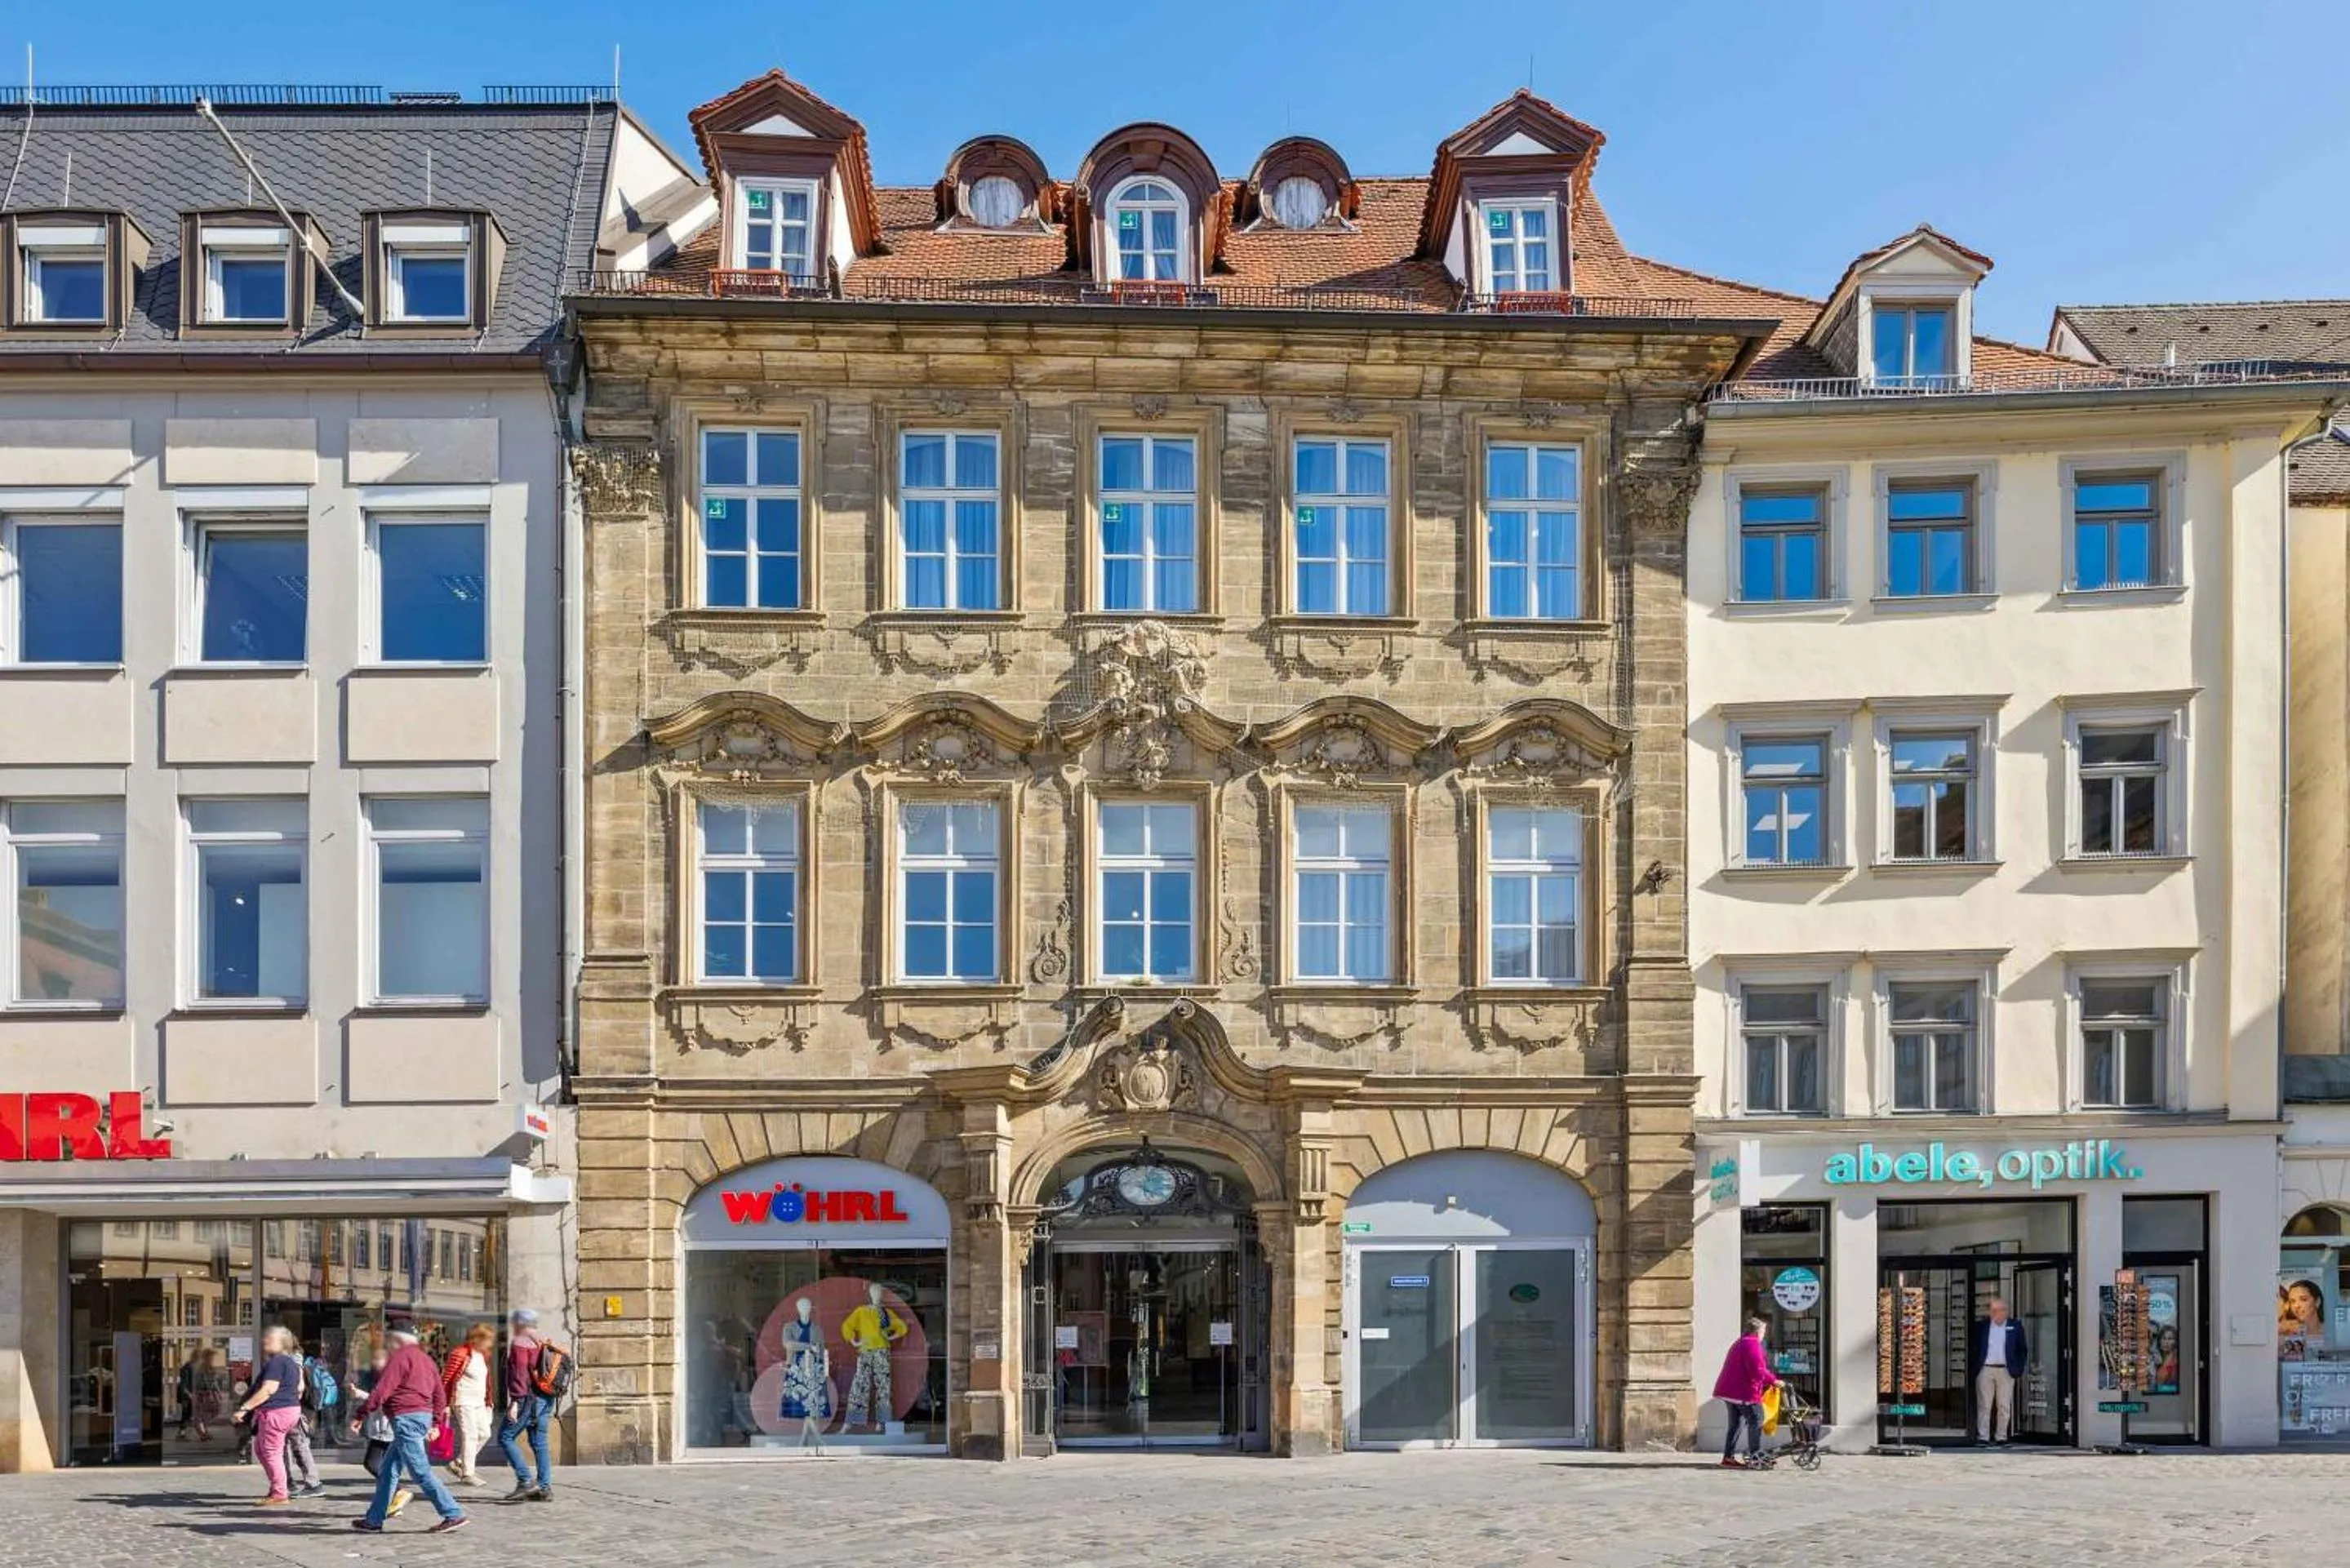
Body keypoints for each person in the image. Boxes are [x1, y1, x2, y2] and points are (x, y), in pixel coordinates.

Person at [348, 1328, 466, 1534]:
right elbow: (439, 1393)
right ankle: (374, 1520)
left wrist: (361, 1414)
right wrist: (436, 1422)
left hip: (406, 1419)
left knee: (420, 1470)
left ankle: (452, 1512)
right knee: (388, 1471)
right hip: (419, 1417)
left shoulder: (400, 1358)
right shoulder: (426, 1360)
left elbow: (382, 1390)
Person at [229, 1327, 309, 1505]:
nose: (265, 1341)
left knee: (271, 1452)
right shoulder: (290, 1363)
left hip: (276, 1412)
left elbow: (268, 1390)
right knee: (262, 1450)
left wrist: (244, 1409)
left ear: (283, 1343)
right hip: (288, 1411)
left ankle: (280, 1493)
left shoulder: (278, 1362)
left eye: (270, 1339)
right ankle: (278, 1488)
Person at [497, 1308, 555, 1503]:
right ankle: (544, 1488)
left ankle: (525, 1481)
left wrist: (515, 1401)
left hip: (526, 1398)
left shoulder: (520, 1343)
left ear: (520, 1324)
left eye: (514, 1323)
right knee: (540, 1443)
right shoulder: (543, 1340)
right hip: (545, 1398)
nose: (512, 1326)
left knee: (505, 1436)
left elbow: (520, 1374)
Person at [1712, 1316, 1779, 1468]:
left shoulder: (1740, 1342)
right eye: (1763, 1331)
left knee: (1736, 1424)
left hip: (1730, 1391)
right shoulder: (1752, 1345)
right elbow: (1757, 1370)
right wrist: (1774, 1380)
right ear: (1757, 1331)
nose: (1764, 1334)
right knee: (1757, 1419)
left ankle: (1728, 1457)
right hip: (1743, 1392)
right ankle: (1755, 1455)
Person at [441, 1324, 497, 1486]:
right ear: (478, 1339)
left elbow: (486, 1381)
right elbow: (446, 1379)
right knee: (470, 1435)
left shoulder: (483, 1355)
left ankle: (458, 1462)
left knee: (485, 1433)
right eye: (488, 1340)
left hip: (479, 1402)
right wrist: (444, 1403)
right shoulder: (460, 1353)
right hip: (463, 1401)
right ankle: (468, 1474)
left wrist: (488, 1401)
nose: (490, 1344)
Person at [1970, 1297, 2030, 1446]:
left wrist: (2018, 1368)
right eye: (1994, 1310)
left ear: (2006, 1311)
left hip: (2005, 1370)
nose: (1997, 1313)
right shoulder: (1982, 1327)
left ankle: (2001, 1436)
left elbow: (2022, 1350)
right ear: (1990, 1312)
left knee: (2004, 1405)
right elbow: (1974, 1347)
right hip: (1985, 1369)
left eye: (2001, 1310)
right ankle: (1983, 1436)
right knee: (1984, 1405)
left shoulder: (2015, 1326)